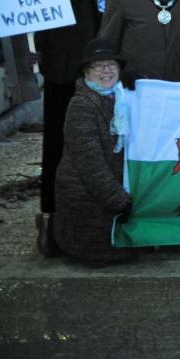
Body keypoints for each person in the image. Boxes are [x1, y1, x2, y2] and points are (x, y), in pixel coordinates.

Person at [32, 0, 105, 257]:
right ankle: (49, 220)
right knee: (55, 149)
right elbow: (34, 38)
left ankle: (92, 220)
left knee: (94, 146)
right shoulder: (44, 0)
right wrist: (34, 58)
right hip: (59, 83)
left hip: (89, 83)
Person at [52, 39, 133, 266]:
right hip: (88, 197)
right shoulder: (82, 105)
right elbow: (90, 163)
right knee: (100, 257)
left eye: (111, 65)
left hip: (113, 190)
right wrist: (119, 201)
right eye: (99, 66)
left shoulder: (122, 99)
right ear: (87, 72)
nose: (106, 71)